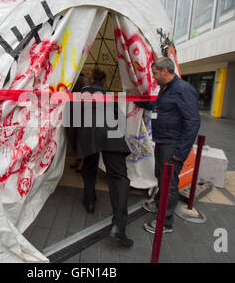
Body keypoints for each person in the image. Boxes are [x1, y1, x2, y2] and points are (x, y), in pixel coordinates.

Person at [134, 57, 200, 234]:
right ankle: (159, 205)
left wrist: (181, 151)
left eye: (155, 73)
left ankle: (165, 222)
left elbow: (193, 122)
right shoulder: (166, 89)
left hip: (173, 145)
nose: (153, 77)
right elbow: (158, 106)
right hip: (163, 141)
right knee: (161, 176)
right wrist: (136, 100)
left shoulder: (183, 90)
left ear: (165, 71)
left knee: (169, 182)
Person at [74, 68, 133, 247]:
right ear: (103, 80)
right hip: (112, 133)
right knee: (119, 178)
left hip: (88, 135)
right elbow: (117, 116)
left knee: (89, 168)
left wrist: (78, 144)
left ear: (88, 80)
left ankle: (90, 201)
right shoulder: (108, 93)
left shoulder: (79, 93)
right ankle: (119, 226)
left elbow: (74, 119)